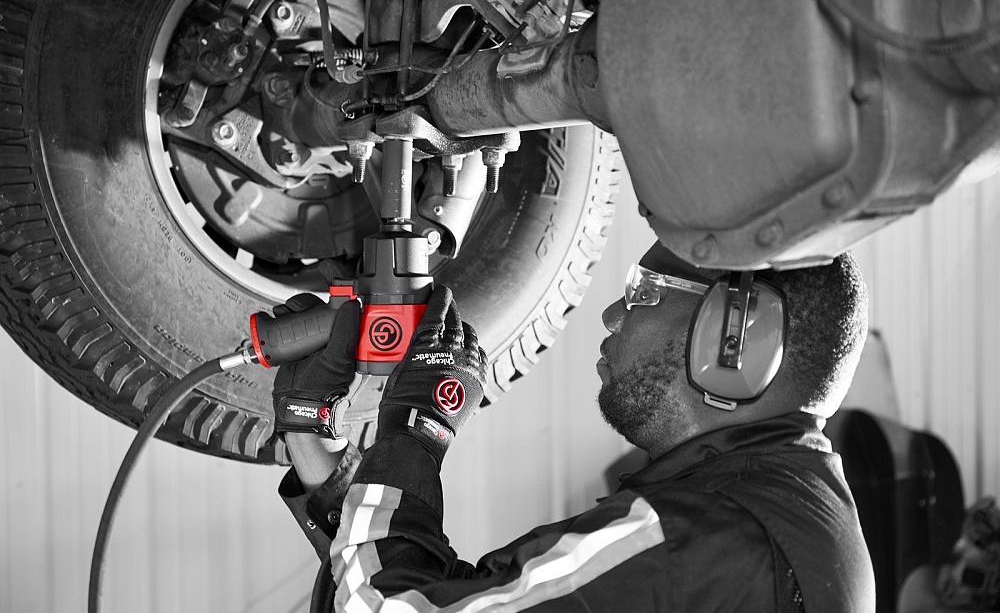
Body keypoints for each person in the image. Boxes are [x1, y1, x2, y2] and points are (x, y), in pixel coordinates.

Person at [271, 244, 877, 611]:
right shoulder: (757, 520)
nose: (613, 313)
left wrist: (416, 430)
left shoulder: (703, 538)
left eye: (643, 292)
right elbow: (449, 600)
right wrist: (313, 436)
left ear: (735, 340)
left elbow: (387, 609)